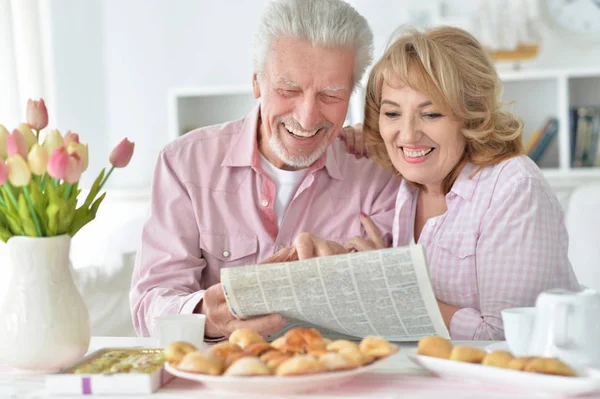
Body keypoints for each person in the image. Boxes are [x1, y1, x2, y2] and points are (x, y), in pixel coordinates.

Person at [287, 26, 580, 340]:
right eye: (392, 113)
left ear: (471, 116)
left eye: (431, 114)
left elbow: (504, 337)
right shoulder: (405, 187)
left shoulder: (514, 188)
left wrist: (394, 289)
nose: (409, 134)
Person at [130, 0, 400, 340]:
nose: (307, 117)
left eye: (331, 95)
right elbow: (149, 304)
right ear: (257, 83)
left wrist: (373, 285)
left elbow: (398, 313)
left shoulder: (378, 173)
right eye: (288, 90)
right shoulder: (184, 165)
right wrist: (205, 316)